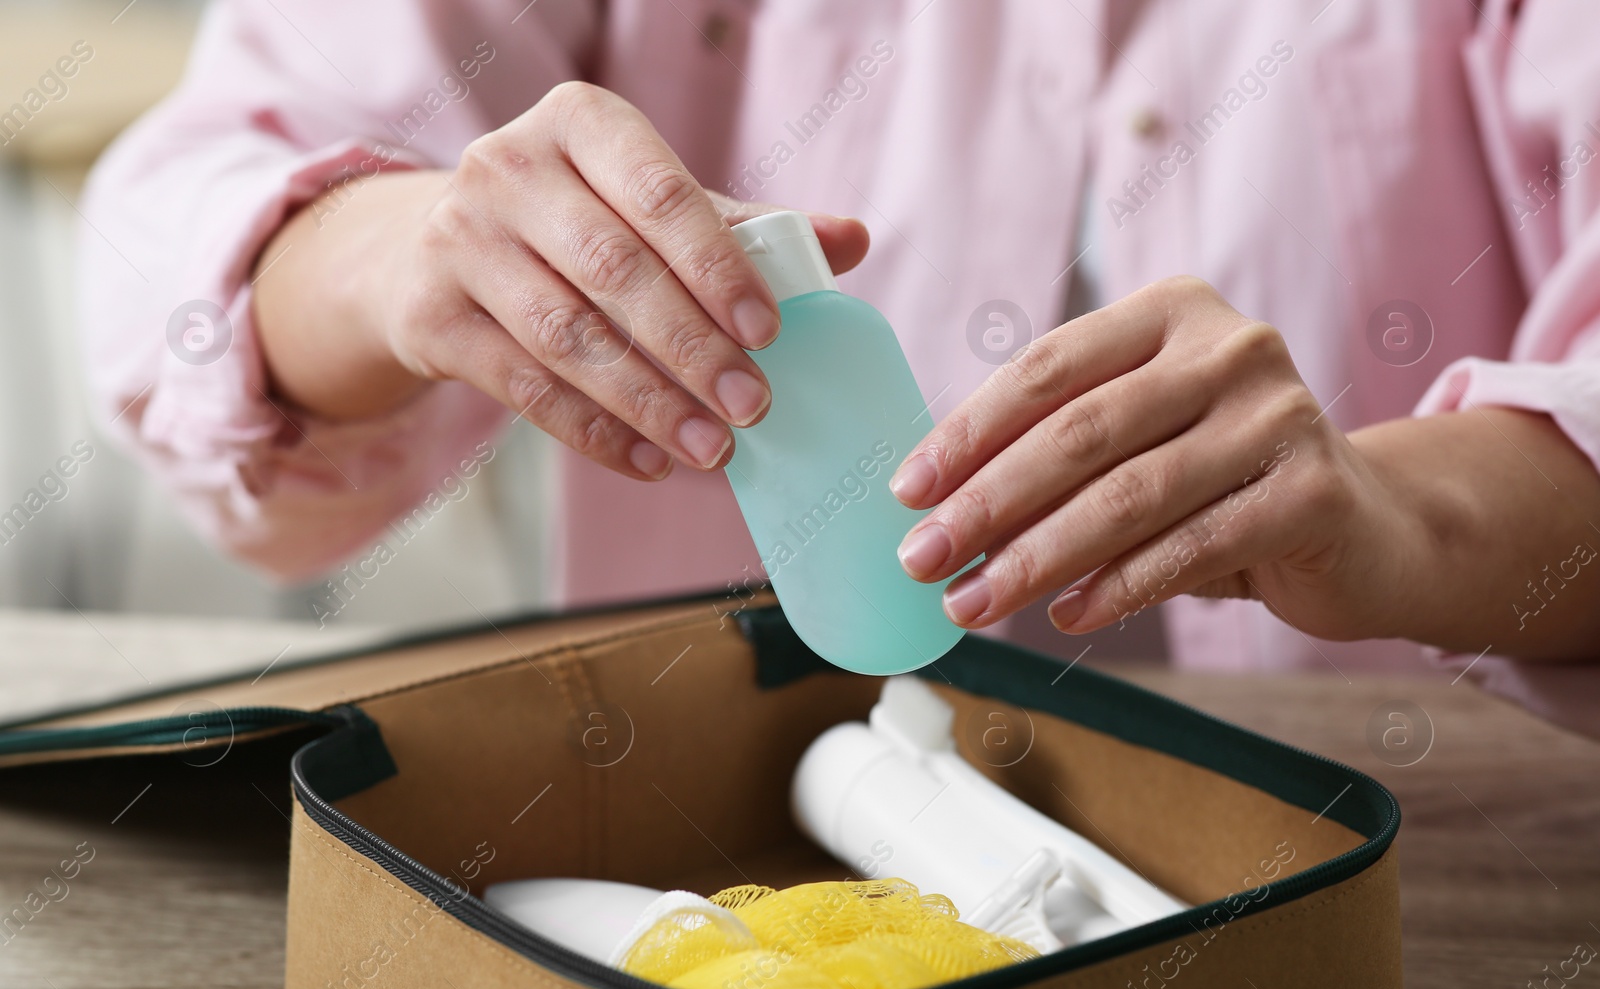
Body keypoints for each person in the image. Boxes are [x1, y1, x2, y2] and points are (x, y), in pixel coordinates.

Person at [80, 0, 1600, 723]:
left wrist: (1395, 517)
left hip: (1408, 886)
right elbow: (178, 235)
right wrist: (399, 252)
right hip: (744, 885)